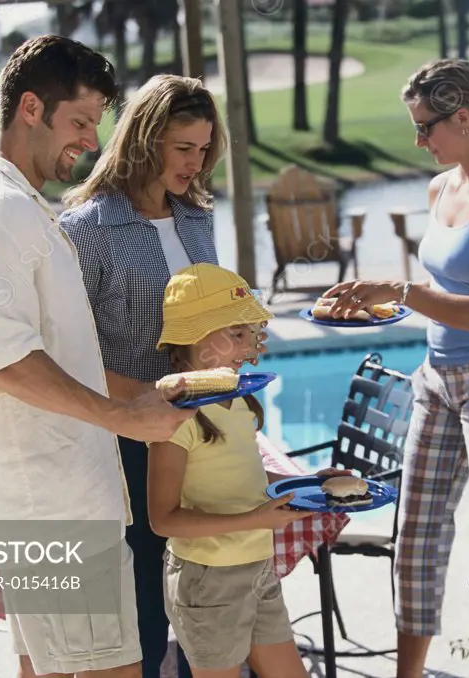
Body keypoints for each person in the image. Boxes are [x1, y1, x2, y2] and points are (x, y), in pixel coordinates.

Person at [0, 35, 197, 678]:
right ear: (30, 108)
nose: (88, 141)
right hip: (54, 512)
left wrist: (139, 395)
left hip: (52, 508)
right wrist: (123, 419)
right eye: (78, 122)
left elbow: (53, 352)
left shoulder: (18, 207)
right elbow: (5, 362)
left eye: (95, 125)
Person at [322, 58, 469, 677]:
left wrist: (398, 291)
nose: (418, 140)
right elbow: (438, 286)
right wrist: (380, 302)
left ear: (465, 118)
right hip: (438, 377)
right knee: (416, 540)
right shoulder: (441, 186)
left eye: (426, 127)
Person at [61, 73, 244, 678]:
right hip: (133, 437)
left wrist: (239, 337)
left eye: (203, 149)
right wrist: (143, 397)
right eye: (182, 148)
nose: (195, 164)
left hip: (208, 428)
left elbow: (212, 316)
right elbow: (72, 350)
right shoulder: (86, 230)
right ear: (145, 142)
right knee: (146, 601)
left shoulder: (196, 218)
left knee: (208, 583)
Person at [148, 263, 350, 678]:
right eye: (236, 334)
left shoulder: (238, 402)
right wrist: (255, 519)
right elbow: (162, 519)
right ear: (193, 338)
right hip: (209, 581)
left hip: (258, 567)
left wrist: (310, 482)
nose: (250, 347)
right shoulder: (174, 419)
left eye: (251, 334)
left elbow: (248, 478)